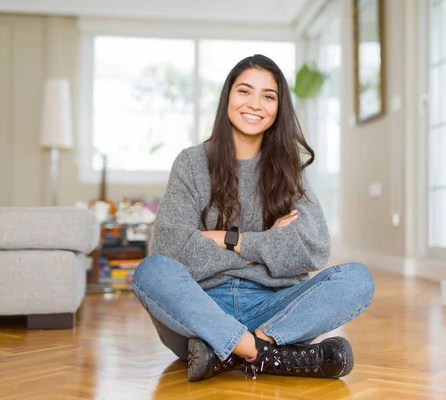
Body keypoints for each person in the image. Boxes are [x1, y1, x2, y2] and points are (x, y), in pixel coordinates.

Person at [132, 54, 375, 382]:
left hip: (273, 308)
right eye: (245, 91)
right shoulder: (191, 163)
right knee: (152, 271)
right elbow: (173, 252)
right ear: (228, 97)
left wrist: (227, 239)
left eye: (268, 96)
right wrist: (267, 249)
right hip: (200, 310)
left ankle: (230, 352)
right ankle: (267, 356)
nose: (255, 104)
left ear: (279, 108)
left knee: (357, 279)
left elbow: (313, 248)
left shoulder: (289, 171)